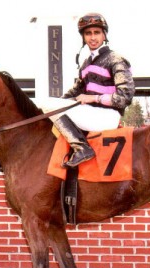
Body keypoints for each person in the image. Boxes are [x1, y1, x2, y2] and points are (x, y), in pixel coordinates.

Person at [36, 12, 134, 168]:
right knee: (47, 104)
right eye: (88, 33)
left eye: (97, 33)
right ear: (83, 37)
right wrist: (49, 106)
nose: (92, 37)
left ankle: (82, 148)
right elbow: (73, 94)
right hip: (91, 114)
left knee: (48, 104)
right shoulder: (86, 64)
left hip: (108, 117)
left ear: (104, 35)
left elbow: (125, 97)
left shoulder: (116, 59)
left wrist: (93, 98)